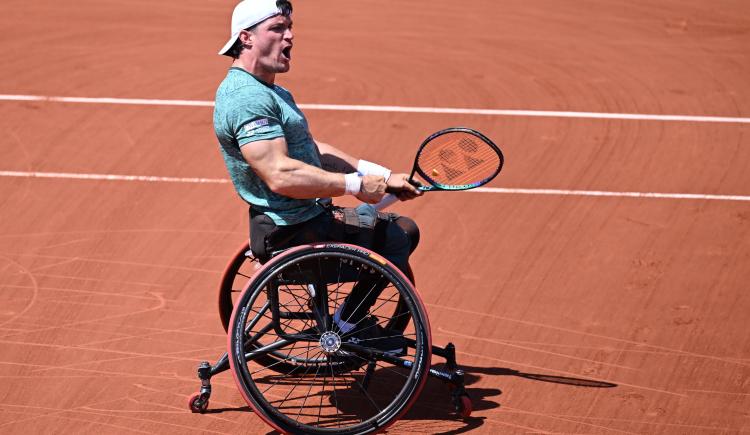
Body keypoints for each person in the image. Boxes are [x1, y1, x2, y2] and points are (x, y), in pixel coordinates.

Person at [213, 0, 422, 352]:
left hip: (303, 221)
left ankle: (344, 321)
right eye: (278, 28)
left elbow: (311, 149)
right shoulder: (247, 99)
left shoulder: (270, 91)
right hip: (294, 233)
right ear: (246, 38)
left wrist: (381, 177)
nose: (290, 36)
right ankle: (346, 325)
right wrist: (353, 185)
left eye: (290, 27)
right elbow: (280, 174)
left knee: (385, 224)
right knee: (400, 234)